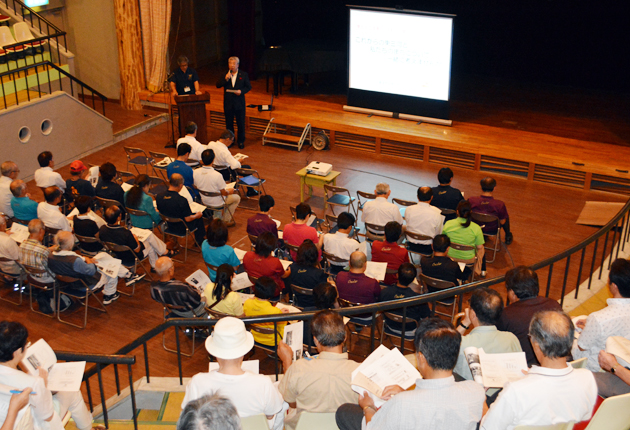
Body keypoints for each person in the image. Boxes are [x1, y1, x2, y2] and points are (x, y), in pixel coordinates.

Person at [335, 318, 484, 430]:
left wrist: (368, 408)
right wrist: (405, 393)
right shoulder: (475, 391)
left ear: (421, 358)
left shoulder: (401, 404)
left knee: (344, 412)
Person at [481, 310, 597, 429]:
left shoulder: (515, 391)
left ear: (536, 345)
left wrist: (482, 401)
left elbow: (486, 428)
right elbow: (583, 418)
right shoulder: (587, 378)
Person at [181, 317, 285, 430]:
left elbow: (189, 418)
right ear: (244, 351)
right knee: (282, 403)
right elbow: (270, 415)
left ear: (214, 352)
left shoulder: (197, 382)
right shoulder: (263, 383)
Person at [0, 321, 96, 430]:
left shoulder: (27, 380)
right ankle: (88, 428)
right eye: (26, 345)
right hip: (35, 424)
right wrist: (43, 386)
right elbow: (47, 416)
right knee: (72, 392)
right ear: (18, 352)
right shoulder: (34, 382)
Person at [278, 310, 360, 430]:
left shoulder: (299, 368)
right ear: (345, 337)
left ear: (316, 341)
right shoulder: (360, 372)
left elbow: (290, 401)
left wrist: (286, 362)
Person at [572, 258, 630, 372]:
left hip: (596, 367)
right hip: (624, 361)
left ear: (614, 286)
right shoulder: (599, 319)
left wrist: (588, 329)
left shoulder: (599, 318)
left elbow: (581, 347)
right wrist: (591, 327)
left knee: (568, 327)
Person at [454, 288, 521, 384]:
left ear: (472, 314)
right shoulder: (511, 338)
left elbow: (444, 346)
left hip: (469, 392)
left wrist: (465, 323)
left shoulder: (462, 344)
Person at [497, 266, 562, 366]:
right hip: (557, 364)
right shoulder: (554, 304)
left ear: (512, 293)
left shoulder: (506, 314)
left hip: (525, 368)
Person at [48, 231, 127, 305]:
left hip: (66, 284)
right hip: (84, 284)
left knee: (103, 255)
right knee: (111, 270)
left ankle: (127, 274)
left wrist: (85, 259)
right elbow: (92, 270)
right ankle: (110, 294)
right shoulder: (75, 260)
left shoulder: (50, 256)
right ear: (70, 244)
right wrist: (88, 260)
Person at [99, 205, 169, 270]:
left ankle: (163, 252)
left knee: (149, 238)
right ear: (118, 217)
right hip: (131, 258)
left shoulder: (102, 229)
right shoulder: (125, 233)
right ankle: (155, 266)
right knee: (150, 244)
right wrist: (135, 239)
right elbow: (137, 250)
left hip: (116, 255)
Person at [380, 263, 431, 334]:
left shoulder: (384, 292)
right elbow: (425, 318)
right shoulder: (419, 299)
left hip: (390, 326)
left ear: (397, 275)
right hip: (410, 331)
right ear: (413, 279)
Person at [156, 174, 206, 246]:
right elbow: (188, 219)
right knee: (198, 217)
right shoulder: (182, 200)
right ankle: (199, 241)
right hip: (182, 228)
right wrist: (197, 215)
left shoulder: (159, 196)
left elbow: (159, 210)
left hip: (168, 225)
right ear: (180, 185)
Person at [194, 149, 240, 226]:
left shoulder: (195, 172)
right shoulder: (217, 175)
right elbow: (223, 193)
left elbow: (195, 186)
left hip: (204, 200)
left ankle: (217, 218)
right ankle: (225, 220)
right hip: (217, 202)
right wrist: (230, 191)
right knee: (236, 198)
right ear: (213, 160)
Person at [216, 56, 251, 149]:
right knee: (229, 123)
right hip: (228, 103)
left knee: (240, 123)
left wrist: (241, 91)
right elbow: (218, 85)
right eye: (230, 63)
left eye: (234, 64)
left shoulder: (243, 74)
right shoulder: (225, 74)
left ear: (238, 65)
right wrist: (225, 79)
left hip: (239, 103)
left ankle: (241, 141)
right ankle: (230, 141)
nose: (232, 65)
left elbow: (248, 87)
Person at [442, 200, 485, 276]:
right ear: (470, 212)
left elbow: (443, 240)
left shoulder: (448, 224)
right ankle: (481, 270)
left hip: (450, 256)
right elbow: (479, 247)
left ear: (457, 212)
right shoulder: (476, 228)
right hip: (468, 259)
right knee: (482, 248)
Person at [243, 277, 288, 347]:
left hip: (255, 337)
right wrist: (283, 315)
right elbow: (282, 328)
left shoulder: (247, 303)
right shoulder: (275, 311)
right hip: (273, 341)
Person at [469, 176, 513, 245]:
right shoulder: (499, 204)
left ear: (481, 187)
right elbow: (502, 221)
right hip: (492, 229)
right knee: (504, 216)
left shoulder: (471, 200)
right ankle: (508, 236)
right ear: (494, 188)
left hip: (475, 226)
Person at [283, 239, 328, 308]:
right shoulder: (319, 274)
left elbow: (287, 286)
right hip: (314, 306)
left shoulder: (291, 268)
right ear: (315, 256)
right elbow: (324, 295)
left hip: (297, 302)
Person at [243, 232, 288, 298]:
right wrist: (289, 271)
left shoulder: (247, 255)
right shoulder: (274, 262)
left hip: (256, 287)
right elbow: (284, 275)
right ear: (272, 247)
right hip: (272, 290)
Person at [404, 186, 444, 256]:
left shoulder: (408, 209)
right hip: (428, 248)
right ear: (431, 197)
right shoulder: (437, 213)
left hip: (411, 244)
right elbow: (438, 234)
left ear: (417, 197)